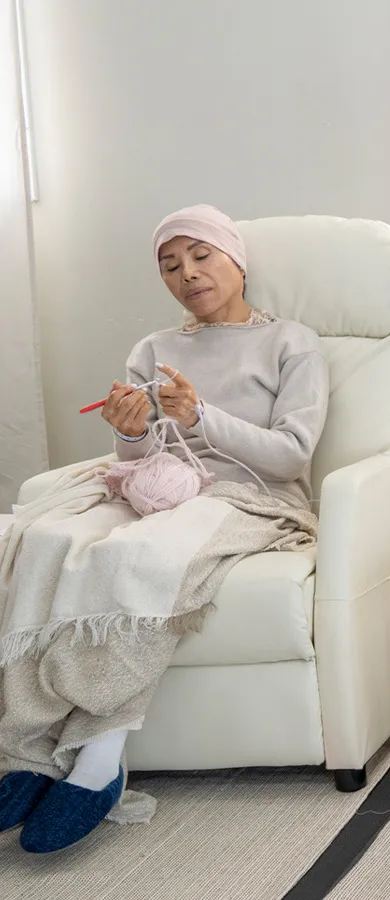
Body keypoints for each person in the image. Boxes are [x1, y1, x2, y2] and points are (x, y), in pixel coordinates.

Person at [0, 204, 327, 853]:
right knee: (47, 541)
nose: (188, 274)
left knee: (142, 556)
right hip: (154, 484)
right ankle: (28, 750)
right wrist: (129, 430)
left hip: (250, 493)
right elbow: (137, 457)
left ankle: (99, 758)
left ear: (235, 259)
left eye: (201, 255)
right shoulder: (152, 349)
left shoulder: (293, 341)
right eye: (170, 265)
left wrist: (201, 416)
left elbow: (292, 453)